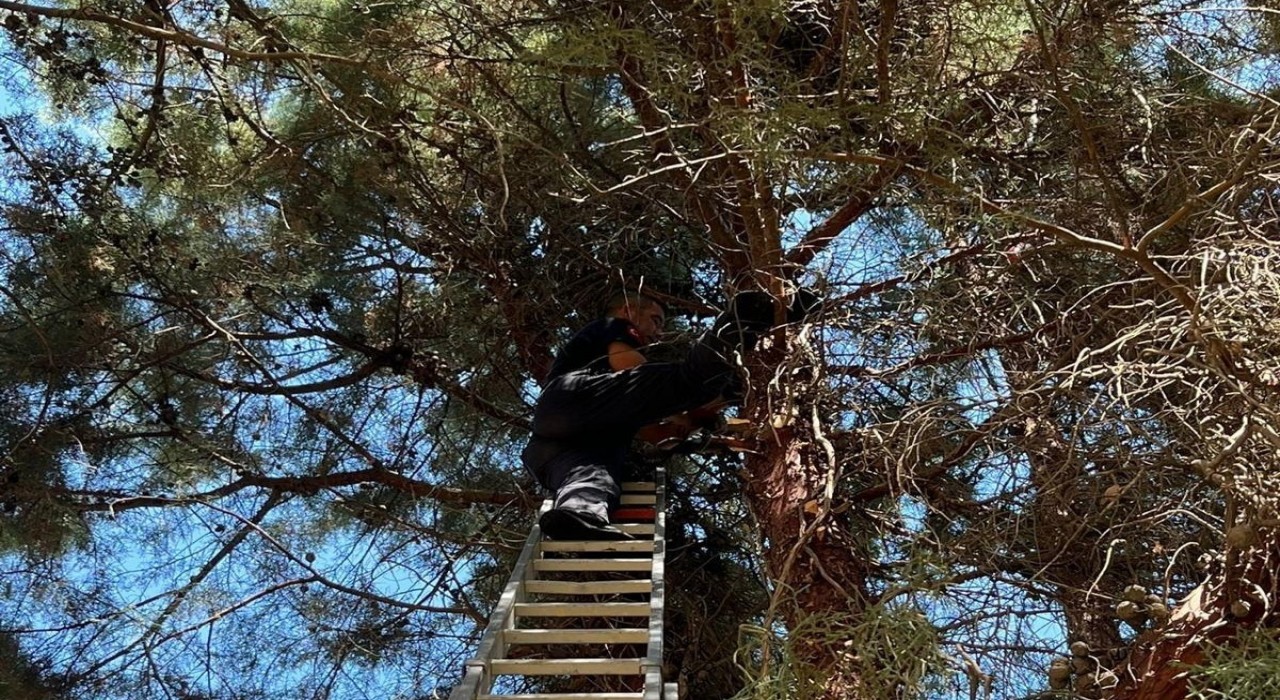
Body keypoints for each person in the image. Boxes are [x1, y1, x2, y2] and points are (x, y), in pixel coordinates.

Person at [522, 288, 811, 540]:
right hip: (573, 397)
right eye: (655, 320)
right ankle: (749, 315)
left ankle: (577, 515)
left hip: (552, 445)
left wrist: (696, 419)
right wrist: (692, 401)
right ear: (628, 309)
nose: (658, 332)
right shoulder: (615, 325)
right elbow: (632, 371)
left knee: (593, 480)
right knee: (689, 381)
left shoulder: (615, 406)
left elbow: (653, 433)